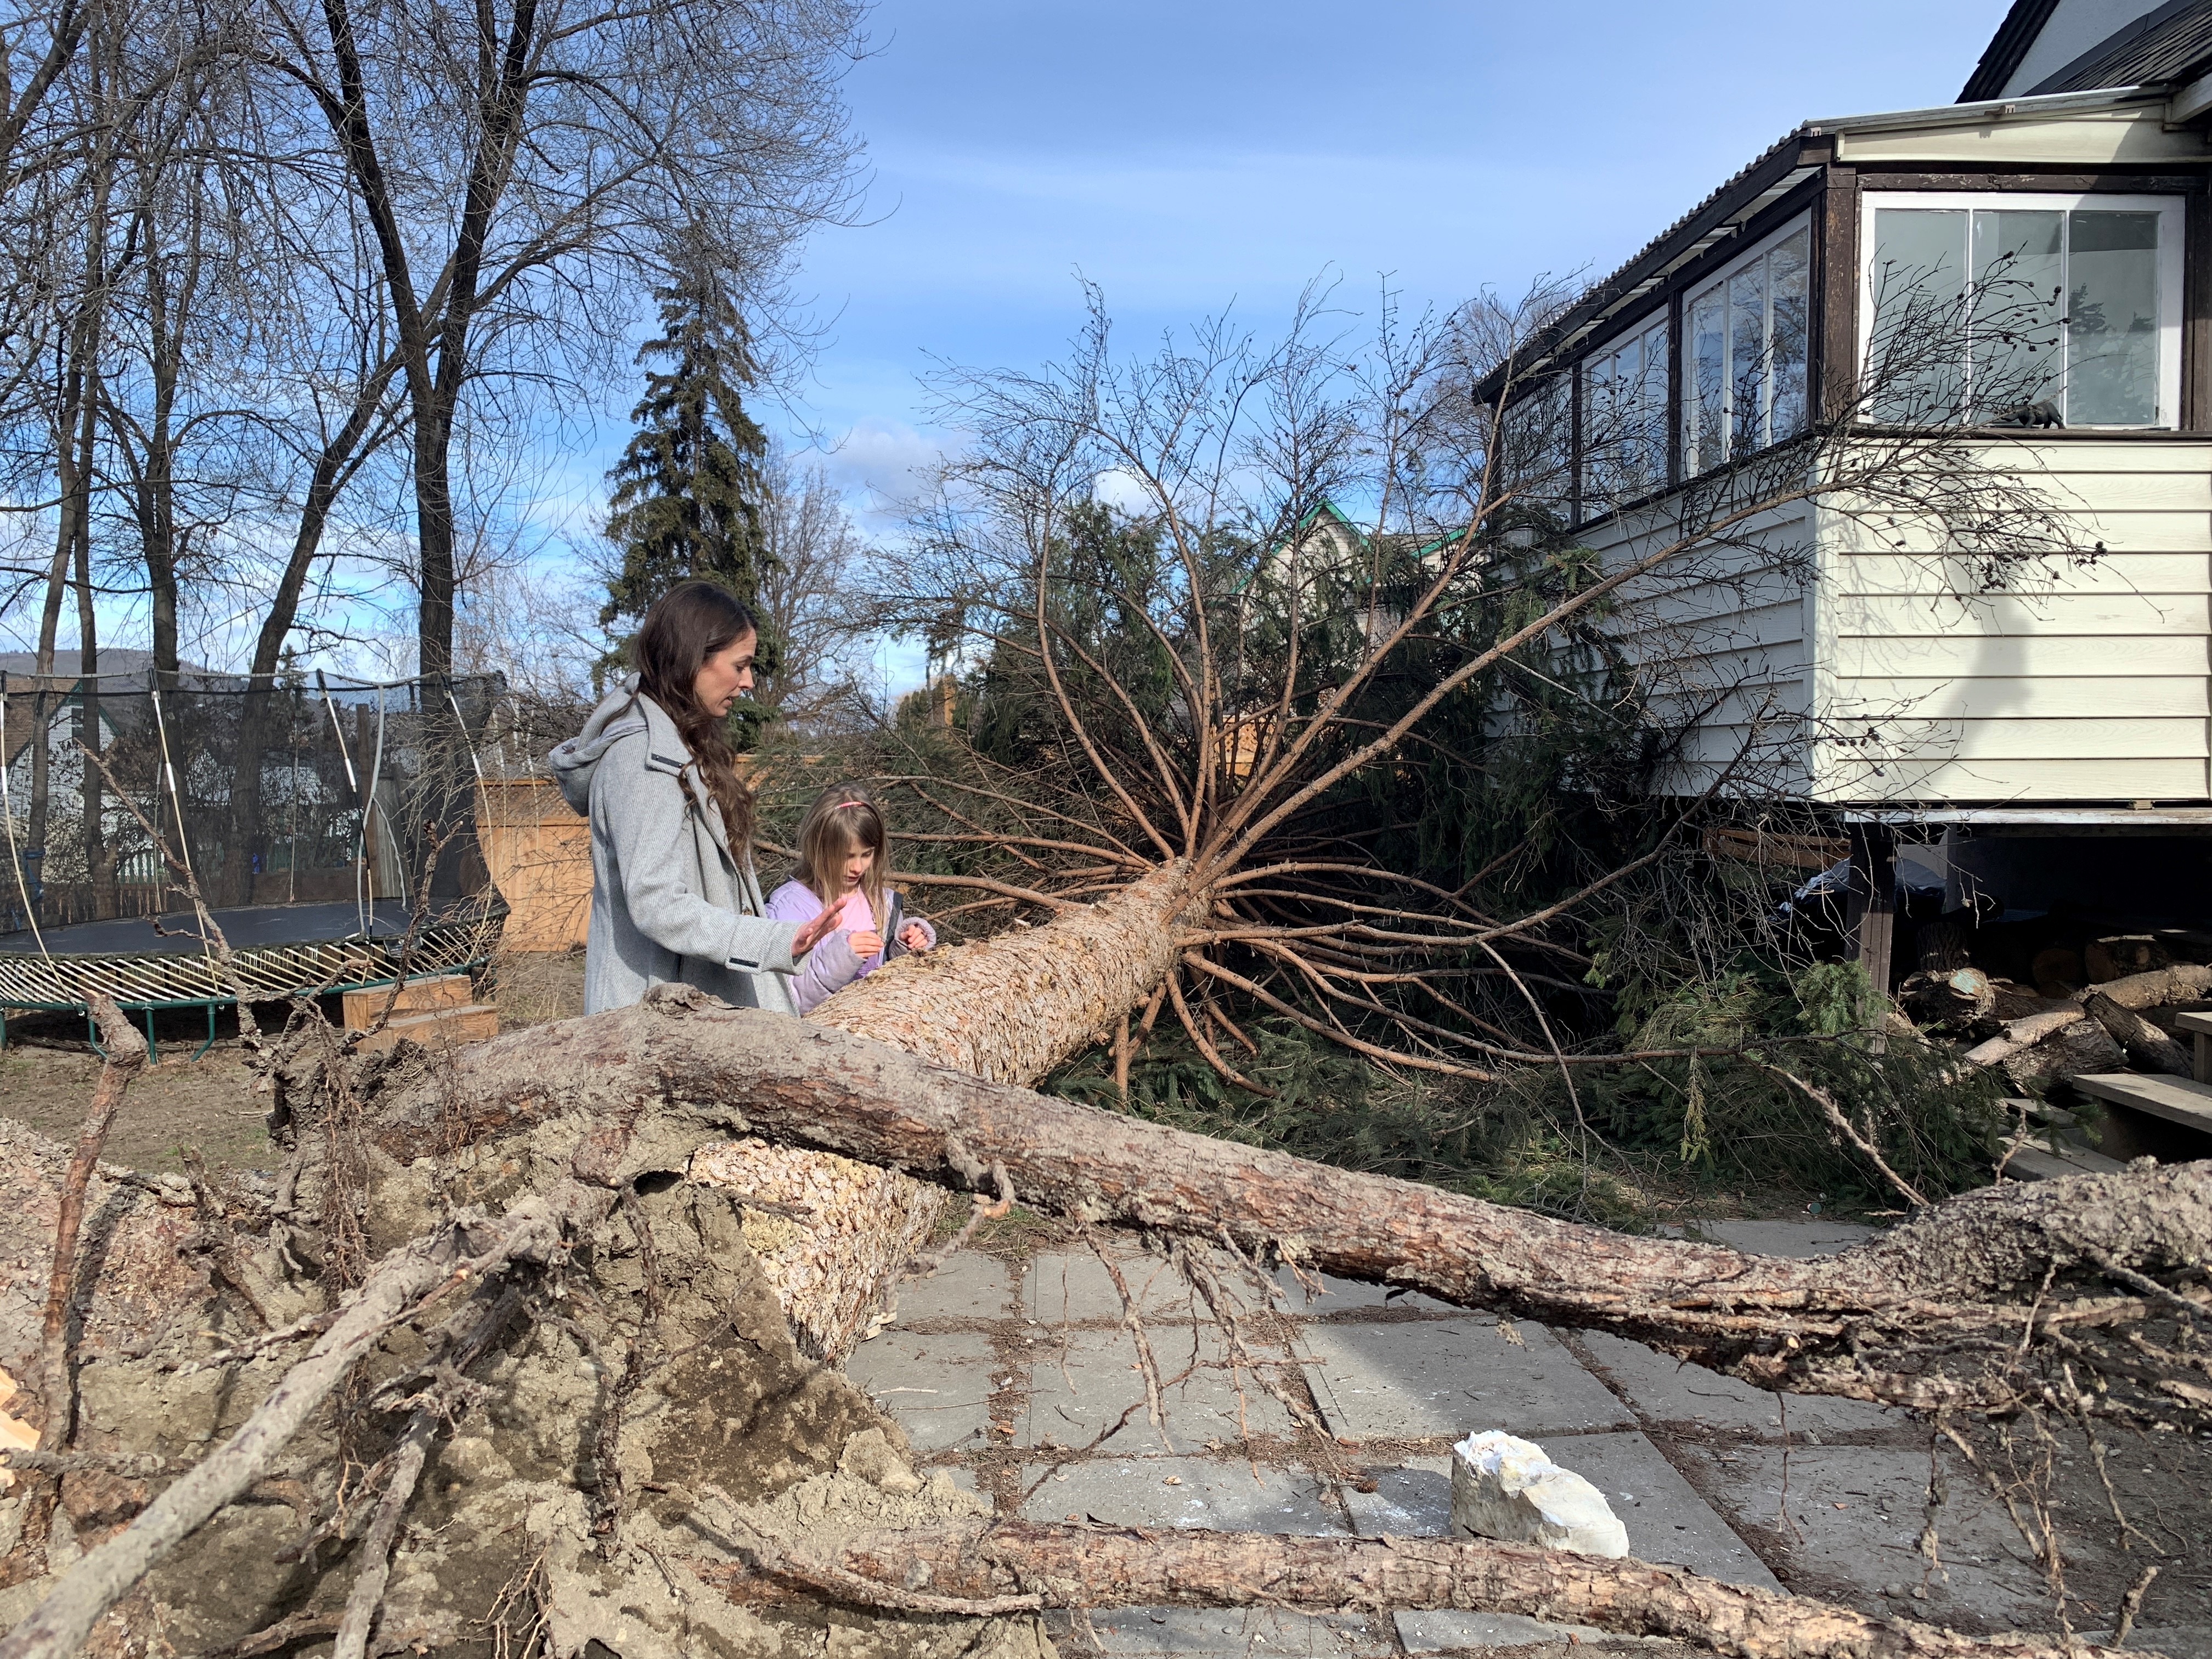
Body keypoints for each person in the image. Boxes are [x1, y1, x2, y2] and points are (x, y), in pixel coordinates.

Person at [550, 580, 849, 1015]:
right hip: (659, 1028)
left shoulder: (684, 745)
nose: (749, 682)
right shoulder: (642, 758)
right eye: (741, 665)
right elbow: (656, 902)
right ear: (694, 659)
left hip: (694, 1018)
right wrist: (775, 940)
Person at [764, 787, 936, 1013]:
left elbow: (887, 974)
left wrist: (905, 946)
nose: (857, 868)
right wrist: (840, 961)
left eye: (867, 855)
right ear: (818, 848)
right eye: (846, 857)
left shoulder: (882, 901)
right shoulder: (786, 907)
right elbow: (785, 1000)